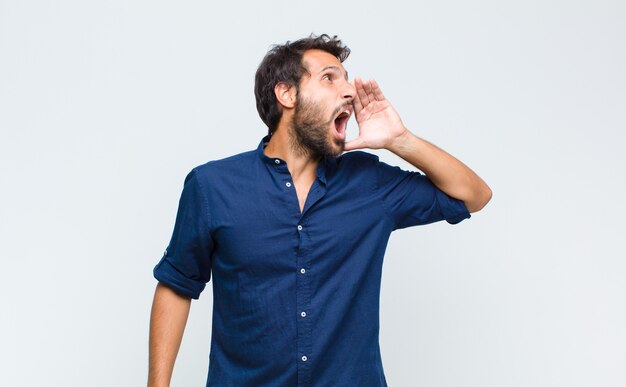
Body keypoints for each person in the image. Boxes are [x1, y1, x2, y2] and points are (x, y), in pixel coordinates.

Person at [148, 33, 492, 387]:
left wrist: (399, 140)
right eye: (329, 78)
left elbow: (473, 195)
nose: (349, 91)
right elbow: (176, 286)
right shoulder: (212, 186)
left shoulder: (369, 183)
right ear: (287, 94)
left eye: (346, 79)